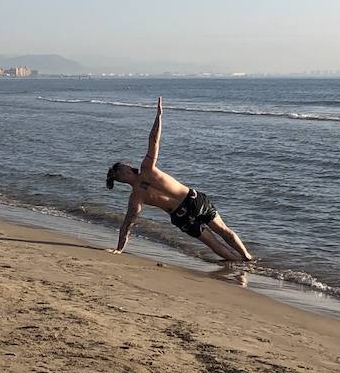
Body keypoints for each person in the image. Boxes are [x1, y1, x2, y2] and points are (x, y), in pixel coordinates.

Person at [106, 97, 254, 263]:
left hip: (192, 201)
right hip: (185, 210)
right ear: (122, 175)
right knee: (215, 241)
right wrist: (119, 248)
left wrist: (159, 117)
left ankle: (246, 259)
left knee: (222, 232)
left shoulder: (143, 179)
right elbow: (128, 223)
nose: (128, 165)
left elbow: (154, 140)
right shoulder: (138, 191)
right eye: (124, 167)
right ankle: (240, 263)